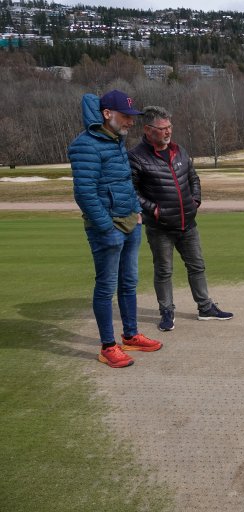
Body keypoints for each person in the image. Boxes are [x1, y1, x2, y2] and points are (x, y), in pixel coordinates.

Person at [69, 90, 163, 368]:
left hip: (129, 223)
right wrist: (106, 229)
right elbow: (84, 194)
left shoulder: (115, 141)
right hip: (106, 229)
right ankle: (108, 347)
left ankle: (131, 335)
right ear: (107, 114)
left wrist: (136, 212)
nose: (130, 123)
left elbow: (124, 182)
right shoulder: (86, 145)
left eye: (131, 117)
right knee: (106, 287)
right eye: (125, 117)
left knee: (129, 283)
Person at [129, 106, 233, 332]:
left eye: (170, 127)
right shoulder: (136, 157)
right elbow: (132, 192)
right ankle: (166, 312)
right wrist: (155, 211)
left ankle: (205, 308)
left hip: (188, 223)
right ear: (148, 130)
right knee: (164, 271)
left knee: (197, 266)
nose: (168, 132)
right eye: (162, 128)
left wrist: (195, 201)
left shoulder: (179, 151)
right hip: (160, 227)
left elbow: (193, 178)